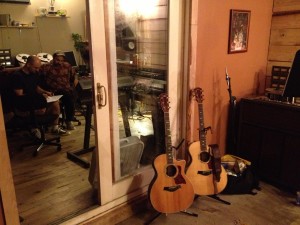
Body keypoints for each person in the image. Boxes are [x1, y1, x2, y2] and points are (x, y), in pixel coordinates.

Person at [11, 55, 68, 137]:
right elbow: (20, 94)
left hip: (35, 99)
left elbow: (36, 87)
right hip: (24, 104)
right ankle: (34, 128)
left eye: (38, 68)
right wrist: (39, 97)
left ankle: (55, 127)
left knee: (55, 102)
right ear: (28, 65)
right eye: (36, 68)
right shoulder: (18, 76)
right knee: (43, 105)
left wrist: (45, 92)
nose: (38, 70)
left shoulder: (33, 73)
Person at [40, 51, 77, 130]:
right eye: (57, 60)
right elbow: (37, 75)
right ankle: (62, 123)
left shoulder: (67, 66)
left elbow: (74, 78)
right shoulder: (46, 67)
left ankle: (69, 120)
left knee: (72, 96)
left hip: (66, 89)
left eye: (61, 60)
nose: (59, 62)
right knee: (67, 97)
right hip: (53, 90)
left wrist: (73, 87)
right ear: (53, 59)